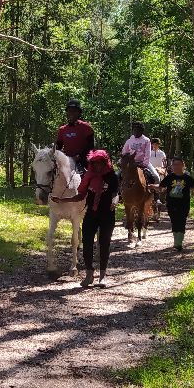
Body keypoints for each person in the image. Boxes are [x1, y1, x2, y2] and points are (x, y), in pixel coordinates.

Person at [53, 150, 119, 288]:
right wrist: (62, 199)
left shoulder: (112, 176)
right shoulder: (88, 177)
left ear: (105, 163)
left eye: (100, 163)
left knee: (104, 243)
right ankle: (89, 272)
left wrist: (114, 201)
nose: (97, 166)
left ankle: (103, 276)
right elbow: (80, 195)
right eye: (94, 163)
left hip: (107, 214)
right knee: (87, 242)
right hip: (91, 213)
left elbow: (115, 192)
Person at [160, 155, 194, 251]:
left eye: (178, 164)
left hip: (184, 204)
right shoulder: (169, 177)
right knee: (174, 221)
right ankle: (177, 241)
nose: (176, 166)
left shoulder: (188, 178)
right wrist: (152, 188)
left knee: (182, 221)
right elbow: (161, 187)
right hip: (171, 203)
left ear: (183, 165)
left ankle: (179, 242)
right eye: (174, 165)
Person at [55, 99, 95, 172]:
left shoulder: (86, 127)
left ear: (79, 113)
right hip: (67, 161)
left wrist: (79, 156)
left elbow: (91, 146)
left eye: (74, 111)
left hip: (83, 161)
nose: (71, 113)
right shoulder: (62, 129)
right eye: (69, 111)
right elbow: (58, 146)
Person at [121, 121, 160, 188]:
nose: (136, 132)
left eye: (138, 130)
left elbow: (147, 154)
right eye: (134, 130)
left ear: (142, 131)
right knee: (117, 175)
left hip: (143, 163)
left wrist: (143, 164)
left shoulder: (146, 140)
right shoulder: (129, 140)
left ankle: (156, 195)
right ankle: (118, 193)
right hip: (130, 163)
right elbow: (124, 152)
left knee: (156, 177)